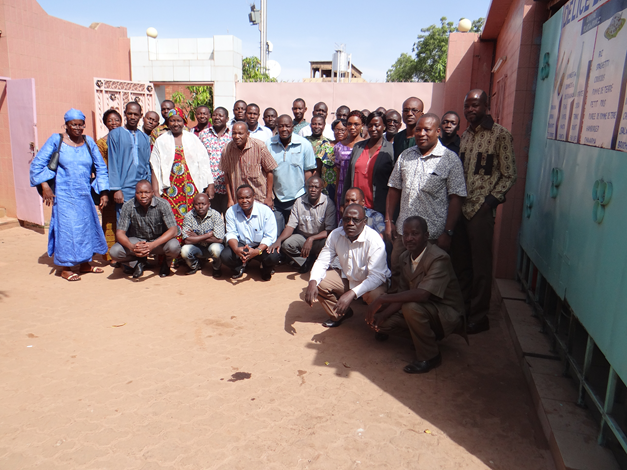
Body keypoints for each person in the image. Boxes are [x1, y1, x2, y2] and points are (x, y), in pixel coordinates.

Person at [450, 89, 517, 334]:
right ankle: (463, 311)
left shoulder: (500, 135)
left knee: (480, 266)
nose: (470, 110)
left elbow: (510, 174)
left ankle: (479, 316)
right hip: (461, 209)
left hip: (481, 210)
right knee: (461, 264)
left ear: (487, 106)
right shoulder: (465, 135)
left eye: (475, 105)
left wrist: (490, 202)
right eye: (467, 106)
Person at [366, 216, 465, 374]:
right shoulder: (405, 257)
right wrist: (383, 314)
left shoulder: (439, 258)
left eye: (415, 233)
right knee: (383, 324)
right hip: (424, 309)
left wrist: (382, 298)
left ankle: (430, 355)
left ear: (426, 236)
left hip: (446, 312)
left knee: (411, 307)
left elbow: (422, 295)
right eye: (405, 234)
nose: (409, 238)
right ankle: (423, 337)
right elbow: (403, 293)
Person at [386, 113, 466, 287]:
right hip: (403, 233)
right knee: (398, 274)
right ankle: (396, 312)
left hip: (433, 237)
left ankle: (419, 314)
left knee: (425, 282)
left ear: (437, 131)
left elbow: (456, 198)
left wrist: (448, 232)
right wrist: (389, 221)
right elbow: (393, 189)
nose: (421, 133)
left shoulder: (450, 160)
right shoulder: (405, 156)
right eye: (418, 129)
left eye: (426, 130)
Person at [30, 108, 110, 281]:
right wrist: (45, 186)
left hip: (84, 195)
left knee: (85, 228)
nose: (77, 128)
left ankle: (85, 263)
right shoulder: (56, 140)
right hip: (63, 195)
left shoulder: (88, 142)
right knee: (67, 230)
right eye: (73, 124)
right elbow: (37, 165)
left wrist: (103, 191)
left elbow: (101, 167)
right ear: (66, 124)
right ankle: (65, 267)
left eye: (81, 125)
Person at [305, 204, 390, 327]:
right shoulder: (335, 235)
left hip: (373, 285)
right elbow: (322, 261)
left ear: (364, 222)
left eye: (355, 220)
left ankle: (380, 324)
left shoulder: (374, 240)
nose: (350, 223)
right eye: (346, 219)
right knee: (320, 282)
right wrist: (312, 281)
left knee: (378, 297)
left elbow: (377, 277)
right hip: (349, 279)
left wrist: (351, 294)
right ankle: (341, 314)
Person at [151, 107, 215, 243]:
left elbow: (204, 162)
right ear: (168, 123)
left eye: (178, 120)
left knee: (192, 218)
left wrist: (210, 184)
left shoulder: (193, 139)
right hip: (170, 189)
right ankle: (172, 255)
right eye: (172, 121)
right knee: (170, 219)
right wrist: (156, 191)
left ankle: (190, 252)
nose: (175, 124)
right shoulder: (161, 141)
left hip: (191, 187)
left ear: (184, 122)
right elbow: (155, 167)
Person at [110, 180, 180, 278]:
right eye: (139, 193)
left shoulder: (163, 204)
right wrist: (132, 247)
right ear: (135, 193)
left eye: (146, 192)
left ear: (152, 192)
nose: (143, 196)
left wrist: (152, 245)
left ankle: (166, 264)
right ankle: (137, 263)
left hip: (158, 242)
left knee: (174, 246)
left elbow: (173, 230)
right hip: (138, 241)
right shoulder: (128, 205)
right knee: (115, 252)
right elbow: (120, 233)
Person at [269, 175, 336, 273]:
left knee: (330, 243)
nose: (313, 189)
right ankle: (305, 261)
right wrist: (278, 240)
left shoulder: (328, 203)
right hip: (303, 238)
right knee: (286, 244)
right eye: (310, 186)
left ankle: (318, 262)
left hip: (319, 240)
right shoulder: (299, 202)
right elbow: (290, 226)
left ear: (321, 189)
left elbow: (329, 230)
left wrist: (311, 239)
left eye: (316, 187)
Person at [267, 115, 317, 232]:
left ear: (293, 127)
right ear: (277, 127)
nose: (284, 129)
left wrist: (306, 196)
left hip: (298, 197)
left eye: (287, 126)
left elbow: (308, 171)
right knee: (276, 234)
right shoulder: (268, 145)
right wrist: (268, 196)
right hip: (277, 198)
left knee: (295, 233)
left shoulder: (304, 144)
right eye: (281, 126)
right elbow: (267, 172)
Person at [341, 111, 394, 218]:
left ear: (384, 127)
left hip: (377, 208)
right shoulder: (358, 147)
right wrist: (343, 202)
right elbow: (348, 177)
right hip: (355, 206)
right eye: (370, 125)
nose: (373, 128)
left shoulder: (390, 149)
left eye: (377, 125)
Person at [221, 184, 280, 281]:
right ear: (237, 198)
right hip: (242, 244)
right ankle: (239, 267)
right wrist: (236, 249)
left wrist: (257, 251)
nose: (244, 201)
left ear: (254, 197)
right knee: (225, 255)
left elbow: (269, 237)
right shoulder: (231, 211)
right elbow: (231, 233)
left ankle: (266, 269)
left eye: (247, 197)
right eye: (240, 198)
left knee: (274, 256)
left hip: (261, 246)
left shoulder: (266, 211)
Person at [108, 102, 152, 219]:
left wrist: (149, 188)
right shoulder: (115, 135)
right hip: (124, 188)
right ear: (125, 114)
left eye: (135, 114)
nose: (132, 117)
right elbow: (112, 163)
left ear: (140, 116)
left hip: (142, 190)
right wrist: (116, 189)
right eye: (129, 114)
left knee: (142, 223)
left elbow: (147, 165)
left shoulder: (145, 138)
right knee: (123, 225)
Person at [220, 121, 277, 208]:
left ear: (248, 134)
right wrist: (230, 199)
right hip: (238, 201)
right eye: (234, 133)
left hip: (259, 199)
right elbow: (226, 174)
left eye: (240, 133)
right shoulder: (227, 149)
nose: (236, 136)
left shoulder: (259, 146)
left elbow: (270, 171)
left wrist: (268, 197)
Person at [95, 108, 122, 261]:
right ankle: (111, 254)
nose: (113, 123)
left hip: (126, 185)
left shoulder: (126, 139)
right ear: (105, 123)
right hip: (109, 186)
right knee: (110, 220)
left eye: (116, 120)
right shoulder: (101, 143)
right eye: (109, 121)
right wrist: (105, 190)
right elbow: (101, 167)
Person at [181, 192, 225, 277]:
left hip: (211, 246)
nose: (200, 207)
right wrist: (208, 235)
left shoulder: (215, 215)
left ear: (209, 204)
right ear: (193, 205)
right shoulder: (189, 216)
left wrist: (196, 237)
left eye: (203, 204)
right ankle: (195, 265)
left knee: (216, 249)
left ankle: (216, 268)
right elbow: (186, 240)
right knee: (185, 250)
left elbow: (219, 239)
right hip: (197, 247)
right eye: (197, 204)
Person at [199, 106, 231, 215]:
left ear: (227, 119)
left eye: (220, 115)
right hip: (209, 186)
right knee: (212, 220)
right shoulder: (203, 134)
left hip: (228, 188)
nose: (217, 117)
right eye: (215, 115)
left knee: (229, 219)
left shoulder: (232, 135)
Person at [334, 110, 365, 222]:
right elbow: (338, 172)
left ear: (362, 126)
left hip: (359, 188)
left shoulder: (366, 145)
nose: (352, 127)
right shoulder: (339, 146)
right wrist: (337, 194)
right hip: (342, 190)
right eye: (349, 124)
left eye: (356, 124)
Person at [305, 116, 336, 198]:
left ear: (324, 125)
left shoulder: (328, 143)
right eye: (314, 124)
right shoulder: (304, 141)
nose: (317, 126)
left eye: (319, 124)